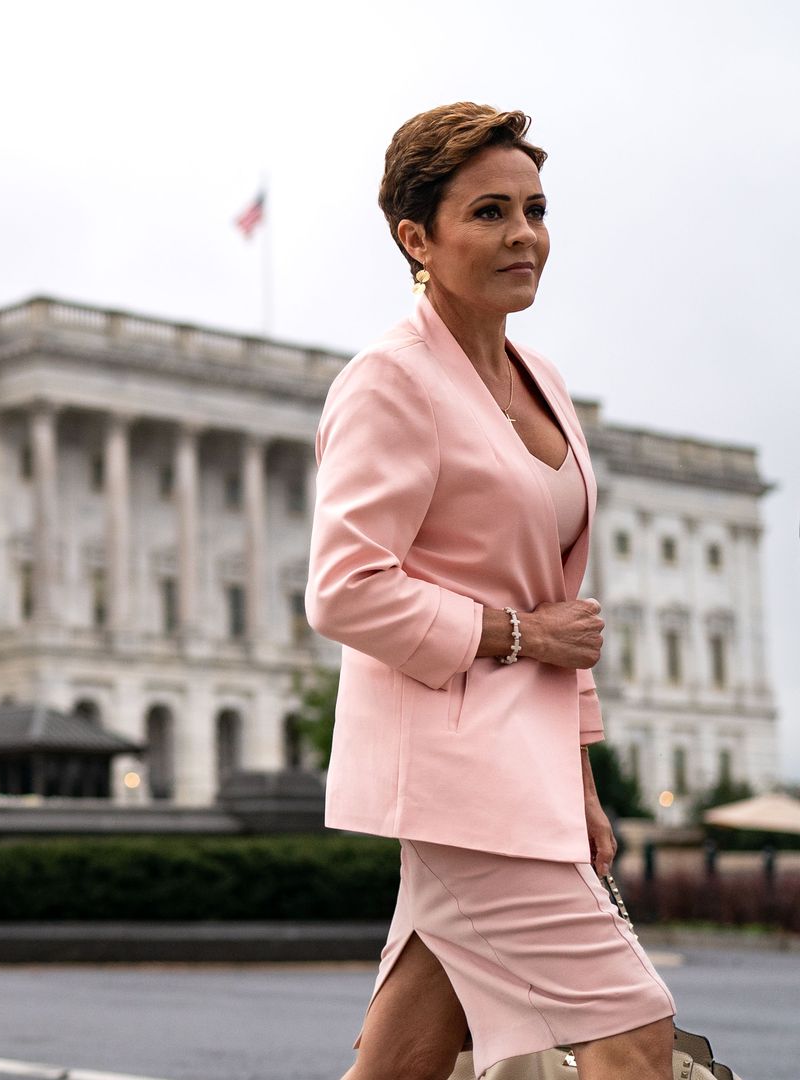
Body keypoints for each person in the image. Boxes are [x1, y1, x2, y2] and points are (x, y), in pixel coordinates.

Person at [308, 103, 676, 1079]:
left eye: (536, 209)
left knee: (406, 1060)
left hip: (528, 766)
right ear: (417, 237)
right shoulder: (389, 383)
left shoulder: (542, 378)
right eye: (490, 213)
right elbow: (344, 589)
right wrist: (516, 636)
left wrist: (582, 781)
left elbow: (566, 605)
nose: (525, 236)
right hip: (458, 769)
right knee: (632, 1031)